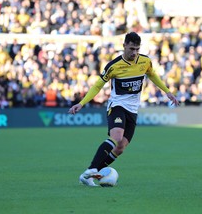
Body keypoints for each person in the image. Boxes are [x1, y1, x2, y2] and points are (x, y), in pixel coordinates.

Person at [68, 32, 179, 187]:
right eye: (132, 48)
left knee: (120, 148)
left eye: (137, 49)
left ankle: (87, 175)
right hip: (117, 106)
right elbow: (97, 86)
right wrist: (82, 103)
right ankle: (93, 168)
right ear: (124, 46)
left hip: (133, 110)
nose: (134, 53)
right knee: (117, 136)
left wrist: (167, 92)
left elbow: (152, 75)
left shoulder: (145, 61)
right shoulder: (113, 66)